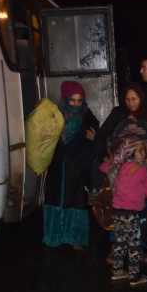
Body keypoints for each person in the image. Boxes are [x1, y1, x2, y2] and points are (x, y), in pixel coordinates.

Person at [43, 81, 99, 255]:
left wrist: (95, 139)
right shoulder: (55, 117)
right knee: (56, 198)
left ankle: (76, 240)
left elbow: (97, 145)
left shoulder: (89, 119)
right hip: (57, 168)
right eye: (72, 100)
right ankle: (55, 237)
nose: (76, 104)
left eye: (79, 101)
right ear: (65, 99)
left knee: (77, 201)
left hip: (77, 169)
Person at [100, 137, 147, 286]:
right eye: (140, 151)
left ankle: (117, 271)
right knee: (134, 243)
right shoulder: (142, 170)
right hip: (131, 212)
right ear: (130, 152)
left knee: (120, 240)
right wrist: (141, 193)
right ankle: (134, 276)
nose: (143, 154)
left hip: (117, 210)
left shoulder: (118, 166)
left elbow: (103, 167)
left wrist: (113, 160)